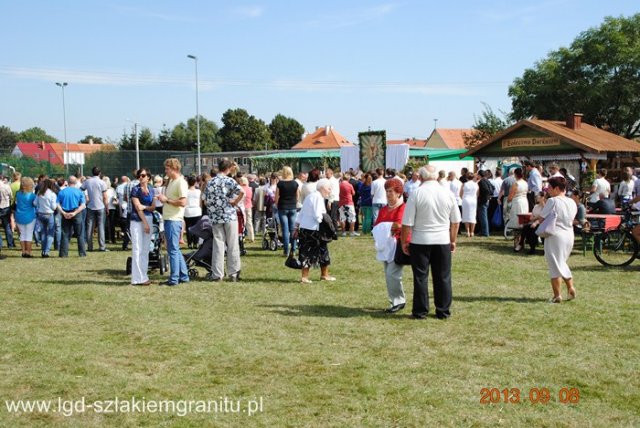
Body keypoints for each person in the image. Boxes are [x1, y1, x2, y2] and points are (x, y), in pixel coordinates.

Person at [401, 165, 461, 319]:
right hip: (442, 239)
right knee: (443, 276)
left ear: (420, 177)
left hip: (421, 240)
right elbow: (455, 221)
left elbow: (407, 223)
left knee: (421, 277)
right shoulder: (447, 193)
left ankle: (420, 311)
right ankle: (443, 310)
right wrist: (452, 240)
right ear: (437, 177)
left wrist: (404, 242)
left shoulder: (416, 194)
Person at [202, 158, 244, 282]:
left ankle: (217, 274)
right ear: (228, 168)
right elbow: (241, 192)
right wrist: (235, 202)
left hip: (216, 216)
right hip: (229, 215)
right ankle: (234, 273)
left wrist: (212, 207)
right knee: (232, 244)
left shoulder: (210, 182)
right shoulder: (229, 180)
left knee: (218, 244)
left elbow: (204, 199)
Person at [538, 176, 577, 303]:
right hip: (569, 235)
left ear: (556, 188)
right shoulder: (571, 202)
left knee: (555, 265)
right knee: (561, 262)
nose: (547, 190)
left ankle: (557, 296)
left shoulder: (553, 201)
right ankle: (570, 287)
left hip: (556, 235)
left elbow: (542, 218)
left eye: (549, 187)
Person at [373, 178, 407, 313]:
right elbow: (376, 225)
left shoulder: (402, 207)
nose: (388, 194)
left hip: (397, 244)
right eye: (386, 191)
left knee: (392, 273)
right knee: (388, 274)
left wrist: (386, 227)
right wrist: (386, 228)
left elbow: (399, 224)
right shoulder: (384, 209)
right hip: (385, 245)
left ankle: (399, 300)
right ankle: (395, 300)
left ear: (398, 193)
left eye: (391, 191)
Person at [293, 179, 335, 284]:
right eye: (328, 188)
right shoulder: (317, 197)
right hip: (314, 229)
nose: (330, 190)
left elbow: (301, 213)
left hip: (306, 227)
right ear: (321, 188)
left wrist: (296, 226)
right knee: (309, 252)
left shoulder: (311, 196)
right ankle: (305, 277)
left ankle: (324, 275)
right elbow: (318, 214)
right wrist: (325, 222)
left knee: (320, 251)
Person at [156, 158, 190, 286]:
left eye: (167, 168)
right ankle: (183, 275)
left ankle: (174, 278)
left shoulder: (180, 182)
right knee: (174, 249)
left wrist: (166, 200)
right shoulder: (171, 181)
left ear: (174, 168)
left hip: (174, 219)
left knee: (173, 250)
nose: (165, 171)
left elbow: (183, 202)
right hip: (170, 218)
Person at [129, 169, 155, 286]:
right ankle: (137, 278)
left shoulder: (151, 189)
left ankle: (144, 276)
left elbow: (153, 207)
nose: (140, 177)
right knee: (137, 249)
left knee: (145, 249)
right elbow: (137, 208)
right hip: (137, 220)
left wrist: (144, 207)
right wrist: (145, 223)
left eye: (143, 175)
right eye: (139, 175)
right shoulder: (135, 189)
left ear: (148, 177)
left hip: (149, 218)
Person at [57, 176, 87, 258]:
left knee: (65, 234)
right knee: (80, 234)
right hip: (76, 212)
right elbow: (83, 205)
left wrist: (63, 213)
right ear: (76, 182)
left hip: (65, 213)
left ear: (67, 182)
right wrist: (75, 213)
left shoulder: (62, 192)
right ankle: (82, 253)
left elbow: (57, 204)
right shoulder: (79, 192)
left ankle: (63, 254)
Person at [81, 166, 109, 252]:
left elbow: (81, 190)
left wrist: (86, 199)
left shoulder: (87, 182)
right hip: (100, 206)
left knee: (90, 226)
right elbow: (105, 196)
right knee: (101, 227)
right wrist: (107, 207)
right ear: (99, 173)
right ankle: (102, 246)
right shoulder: (102, 182)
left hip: (90, 206)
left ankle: (90, 246)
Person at [275, 166, 299, 256]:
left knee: (285, 229)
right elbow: (297, 196)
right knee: (293, 229)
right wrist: (294, 203)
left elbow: (276, 197)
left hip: (282, 207)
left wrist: (277, 204)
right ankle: (293, 249)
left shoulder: (280, 184)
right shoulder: (295, 183)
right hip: (292, 207)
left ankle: (286, 251)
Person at [15, 177, 37, 258]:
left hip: (19, 216)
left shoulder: (18, 194)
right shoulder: (32, 195)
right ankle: (28, 252)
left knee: (22, 235)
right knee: (29, 234)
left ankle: (23, 251)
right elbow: (35, 204)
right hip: (30, 216)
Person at [35, 178, 57, 258]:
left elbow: (34, 203)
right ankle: (46, 251)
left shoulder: (39, 193)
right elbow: (54, 207)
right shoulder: (52, 194)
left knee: (43, 233)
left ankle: (43, 250)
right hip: (49, 214)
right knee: (50, 233)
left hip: (40, 214)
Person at [184, 175, 202, 249]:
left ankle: (189, 243)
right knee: (197, 227)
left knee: (188, 227)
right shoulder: (198, 191)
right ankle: (196, 242)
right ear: (195, 183)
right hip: (197, 210)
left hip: (188, 210)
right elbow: (200, 202)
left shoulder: (186, 191)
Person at [338, 172, 358, 237]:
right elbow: (353, 193)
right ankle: (352, 232)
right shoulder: (350, 185)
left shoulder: (339, 185)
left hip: (341, 203)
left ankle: (343, 232)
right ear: (348, 178)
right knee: (352, 217)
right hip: (349, 202)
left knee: (342, 218)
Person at [460, 172, 478, 237]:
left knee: (465, 215)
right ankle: (472, 232)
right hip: (473, 200)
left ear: (467, 177)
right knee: (473, 215)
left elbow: (460, 194)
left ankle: (467, 231)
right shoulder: (476, 184)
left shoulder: (464, 184)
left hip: (466, 200)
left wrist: (463, 198)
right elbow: (477, 194)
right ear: (473, 177)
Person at [115, 176, 131, 251]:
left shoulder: (119, 187)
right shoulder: (129, 186)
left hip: (122, 207)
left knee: (125, 226)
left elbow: (117, 197)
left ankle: (125, 242)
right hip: (128, 207)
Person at [477, 170, 493, 237]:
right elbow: (492, 188)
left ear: (479, 175)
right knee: (482, 217)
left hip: (483, 200)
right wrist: (490, 196)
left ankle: (485, 232)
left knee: (483, 217)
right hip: (486, 200)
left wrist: (486, 196)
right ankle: (483, 231)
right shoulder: (487, 180)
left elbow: (486, 190)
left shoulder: (482, 181)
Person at [0, 177, 14, 253]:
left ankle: (0, 244)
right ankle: (10, 244)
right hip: (5, 207)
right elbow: (11, 196)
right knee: (7, 226)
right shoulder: (6, 186)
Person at [104, 176, 118, 245]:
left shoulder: (102, 190)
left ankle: (106, 238)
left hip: (104, 207)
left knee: (105, 224)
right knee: (112, 224)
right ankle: (113, 238)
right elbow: (114, 198)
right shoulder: (112, 190)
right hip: (112, 208)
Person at [240, 176, 254, 242]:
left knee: (242, 222)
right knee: (249, 222)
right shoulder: (250, 189)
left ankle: (242, 236)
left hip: (241, 206)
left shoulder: (240, 188)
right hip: (248, 206)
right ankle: (251, 237)